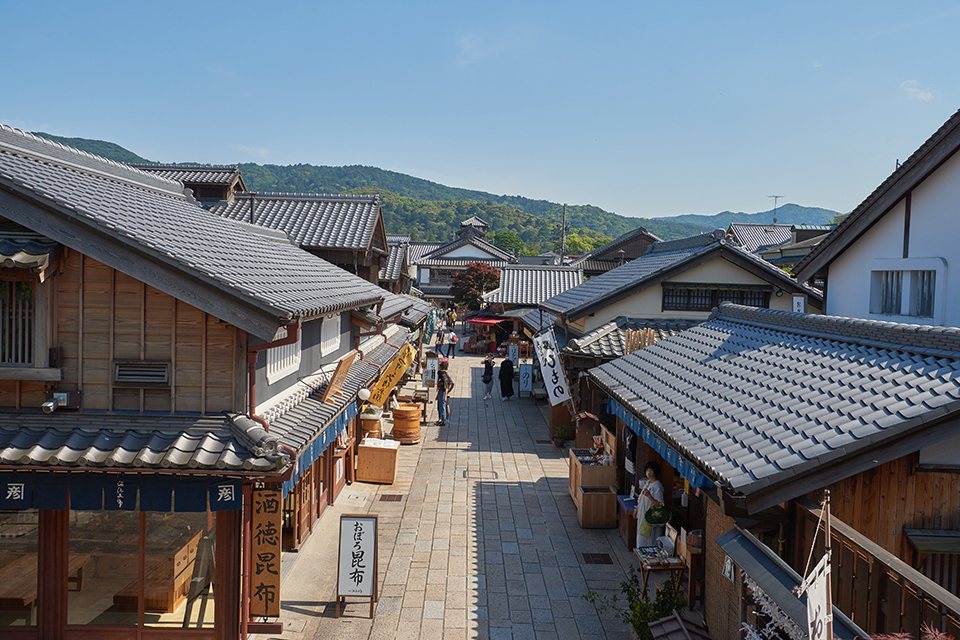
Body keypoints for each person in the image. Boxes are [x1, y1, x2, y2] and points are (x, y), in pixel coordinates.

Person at [634, 461, 665, 549]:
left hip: (651, 518)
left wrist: (649, 496)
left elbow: (660, 504)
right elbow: (641, 499)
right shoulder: (647, 483)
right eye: (647, 470)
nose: (648, 472)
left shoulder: (657, 486)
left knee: (649, 540)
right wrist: (636, 509)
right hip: (642, 517)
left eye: (650, 470)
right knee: (641, 538)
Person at [435, 361, 454, 426]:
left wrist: (445, 396)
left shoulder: (444, 378)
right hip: (441, 392)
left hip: (443, 393)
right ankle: (440, 419)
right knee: (439, 407)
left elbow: (446, 388)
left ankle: (443, 421)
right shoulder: (445, 375)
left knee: (443, 407)